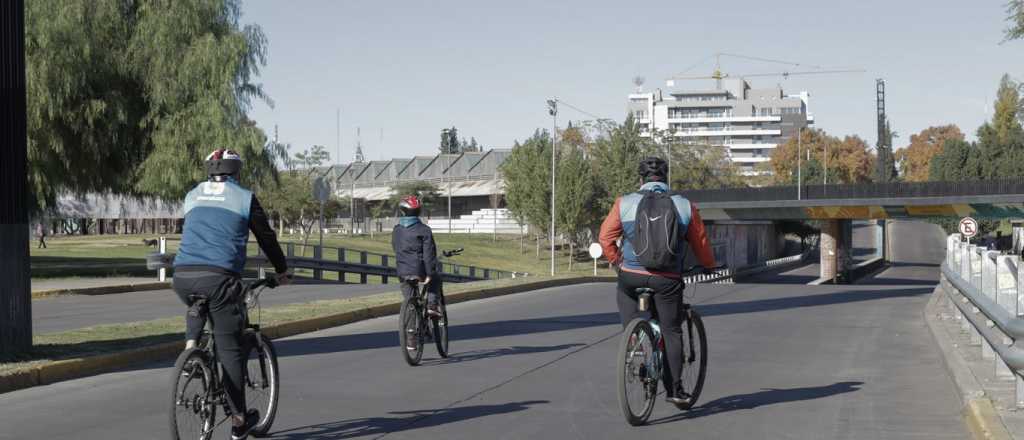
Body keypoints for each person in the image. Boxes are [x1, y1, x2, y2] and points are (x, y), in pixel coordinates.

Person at [172, 149, 291, 440]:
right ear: (236, 171)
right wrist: (282, 269)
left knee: (199, 302)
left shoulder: (192, 194)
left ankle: (191, 353)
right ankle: (239, 421)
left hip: (182, 276)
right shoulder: (244, 198)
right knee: (230, 350)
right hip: (220, 278)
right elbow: (266, 236)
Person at [598, 156, 717, 406]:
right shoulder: (684, 205)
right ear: (665, 179)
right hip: (667, 279)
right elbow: (701, 244)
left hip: (631, 276)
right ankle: (674, 389)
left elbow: (605, 237)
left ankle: (635, 343)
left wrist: (618, 262)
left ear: (640, 180)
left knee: (630, 309)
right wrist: (710, 265)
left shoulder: (624, 203)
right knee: (672, 330)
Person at [392, 195, 442, 325]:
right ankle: (431, 306)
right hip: (420, 270)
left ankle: (411, 342)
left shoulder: (396, 230)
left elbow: (395, 248)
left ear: (402, 211)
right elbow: (429, 254)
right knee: (436, 279)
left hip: (402, 271)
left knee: (410, 302)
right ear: (419, 211)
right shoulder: (424, 230)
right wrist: (430, 273)